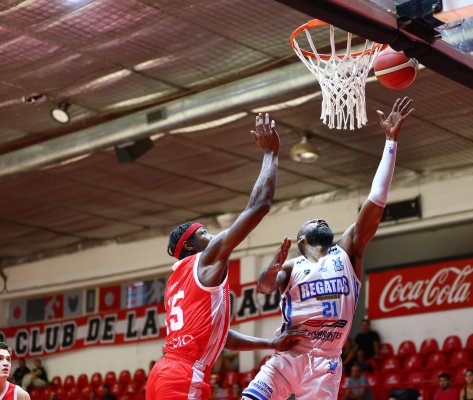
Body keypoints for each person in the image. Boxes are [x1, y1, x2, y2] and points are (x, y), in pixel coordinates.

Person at [244, 97, 415, 400]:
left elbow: (375, 201)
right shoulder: (291, 266)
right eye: (311, 219)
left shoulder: (347, 251)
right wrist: (273, 265)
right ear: (300, 243)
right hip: (288, 355)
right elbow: (263, 288)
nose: (319, 219)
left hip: (326, 361)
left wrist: (391, 141)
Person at [146, 113, 305, 400]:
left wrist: (271, 343)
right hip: (184, 375)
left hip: (163, 374)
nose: (213, 236)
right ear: (193, 246)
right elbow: (259, 205)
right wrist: (271, 153)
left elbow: (222, 338)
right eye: (204, 233)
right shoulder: (205, 261)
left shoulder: (175, 282)